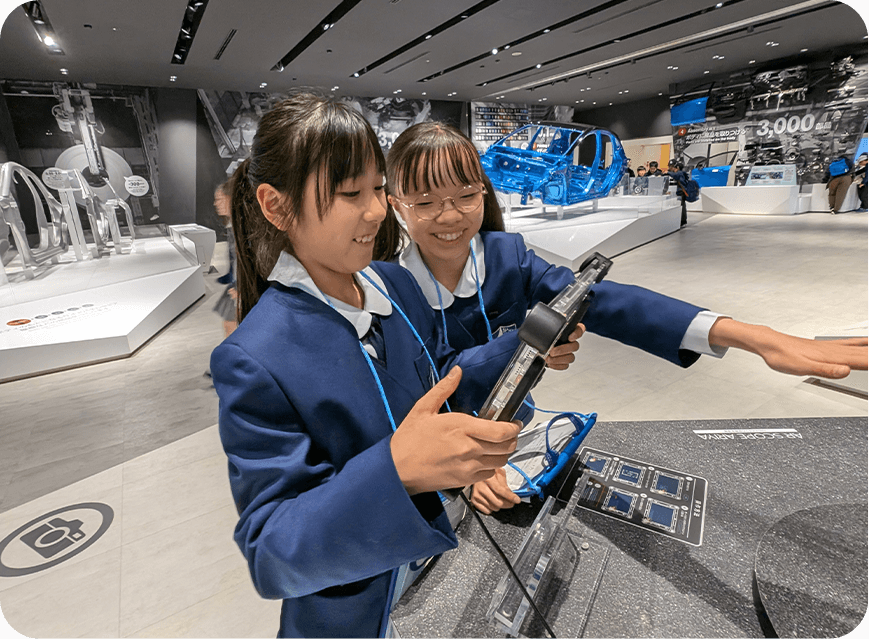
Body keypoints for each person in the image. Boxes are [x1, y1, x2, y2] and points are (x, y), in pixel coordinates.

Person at [378, 121, 869, 515]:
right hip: (433, 458)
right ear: (396, 206)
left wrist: (750, 336)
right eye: (426, 203)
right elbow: (435, 380)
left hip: (514, 437)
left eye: (466, 196)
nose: (450, 217)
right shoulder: (385, 286)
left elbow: (601, 299)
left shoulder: (507, 254)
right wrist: (533, 342)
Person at [210, 94, 526, 639]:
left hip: (445, 572)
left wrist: (526, 347)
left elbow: (438, 375)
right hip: (362, 615)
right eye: (350, 194)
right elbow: (272, 552)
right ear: (276, 207)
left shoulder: (393, 282)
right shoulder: (254, 356)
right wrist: (397, 469)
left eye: (378, 188)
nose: (378, 211)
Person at [211, 181, 238, 338]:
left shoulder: (240, 227)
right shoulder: (233, 225)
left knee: (231, 326)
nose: (216, 204)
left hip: (242, 286)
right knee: (229, 324)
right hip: (237, 284)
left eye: (220, 199)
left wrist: (241, 287)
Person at [666, 160, 692, 228]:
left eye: (672, 167)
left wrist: (667, 172)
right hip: (675, 192)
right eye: (670, 166)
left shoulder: (680, 173)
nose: (671, 168)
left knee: (681, 206)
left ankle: (682, 221)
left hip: (681, 192)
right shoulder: (675, 173)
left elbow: (677, 176)